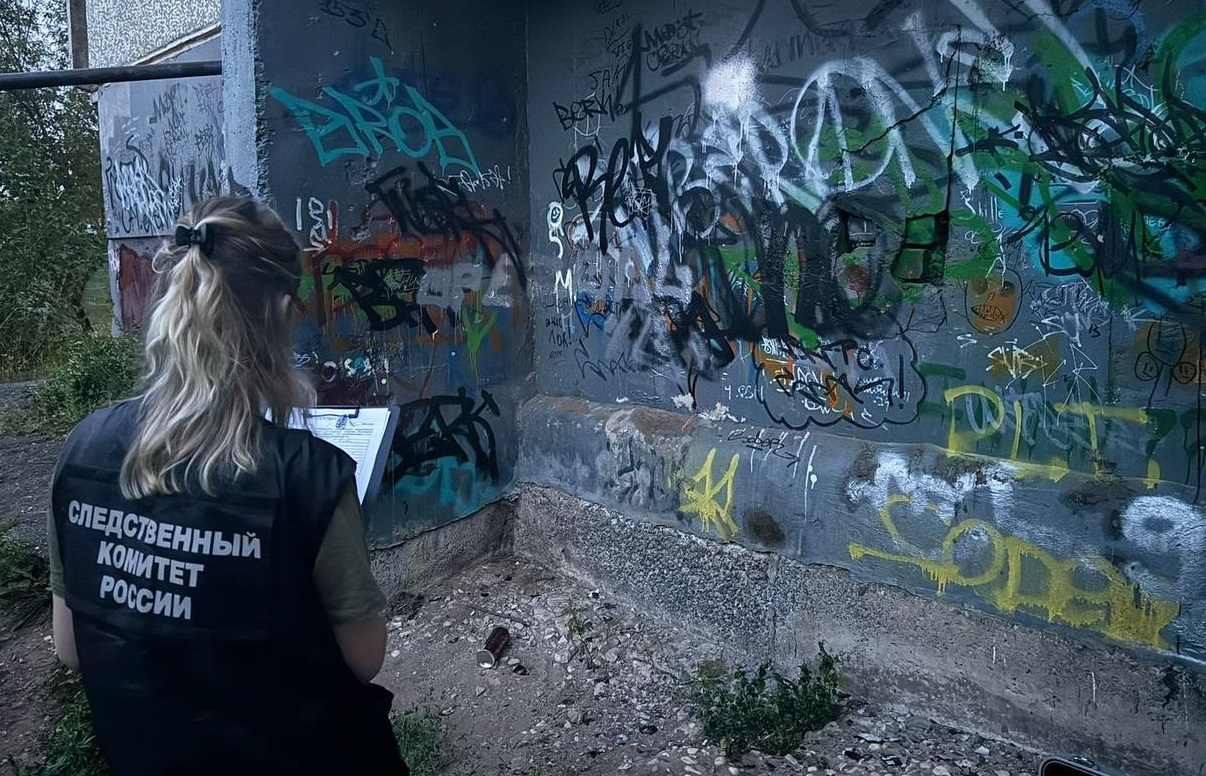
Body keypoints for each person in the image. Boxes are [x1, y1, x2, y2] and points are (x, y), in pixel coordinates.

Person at [47, 196, 409, 775]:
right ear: (282, 312)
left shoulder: (82, 448)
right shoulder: (309, 476)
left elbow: (70, 648)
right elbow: (364, 658)